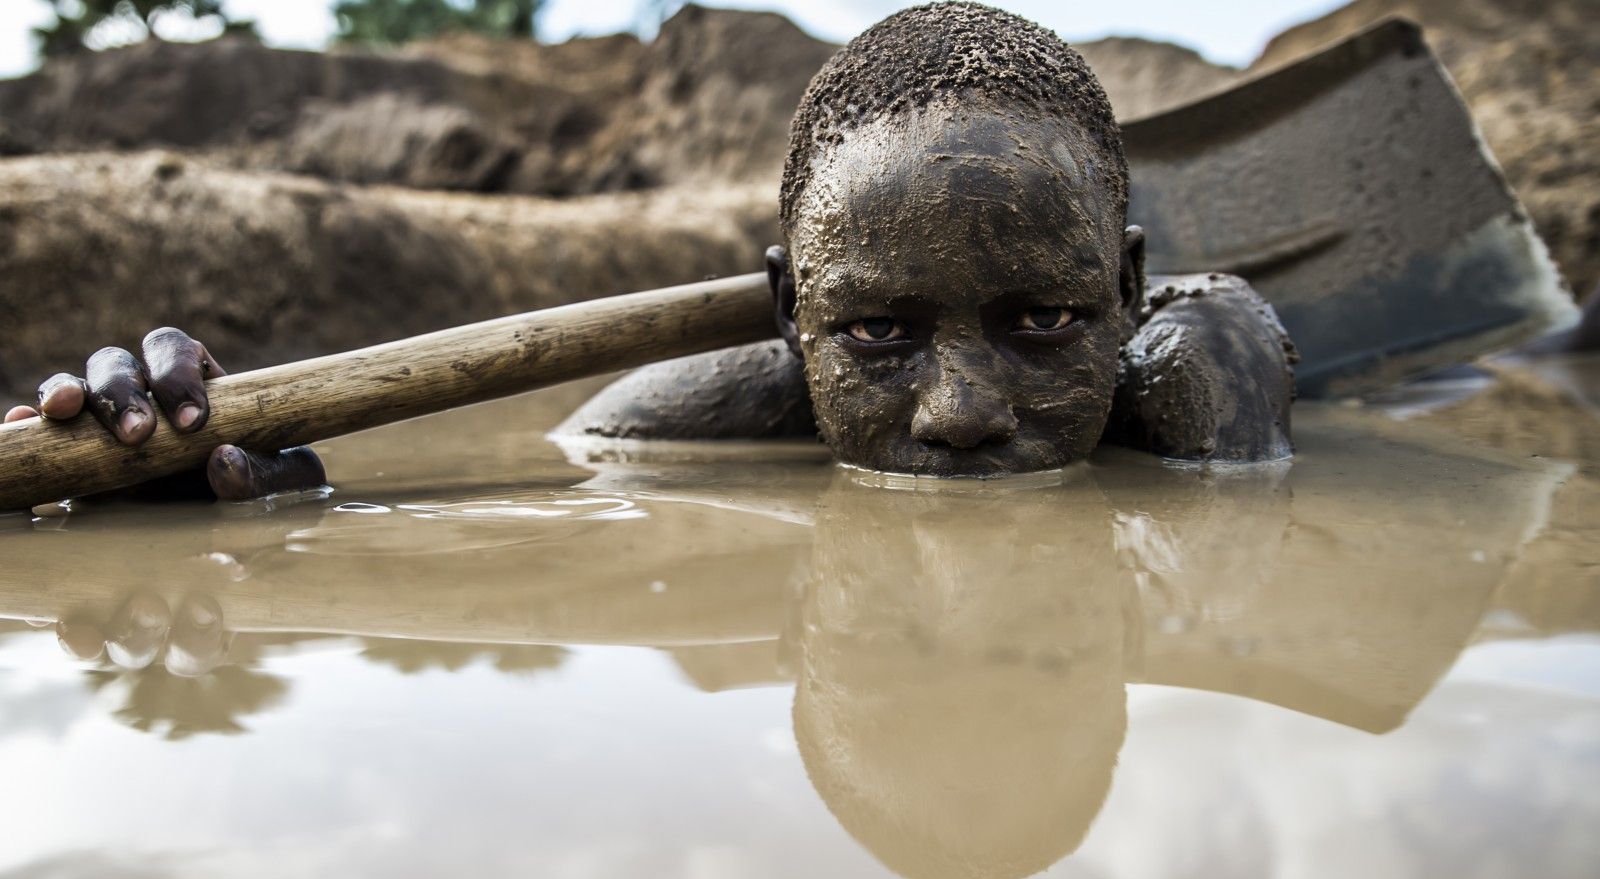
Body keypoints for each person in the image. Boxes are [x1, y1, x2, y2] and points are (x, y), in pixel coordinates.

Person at [3, 2, 1296, 498]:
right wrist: (229, 489)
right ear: (792, 309)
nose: (958, 412)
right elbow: (541, 510)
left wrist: (1222, 389)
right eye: (881, 334)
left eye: (1046, 322)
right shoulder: (678, 421)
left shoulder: (1195, 347)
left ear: (1128, 288)